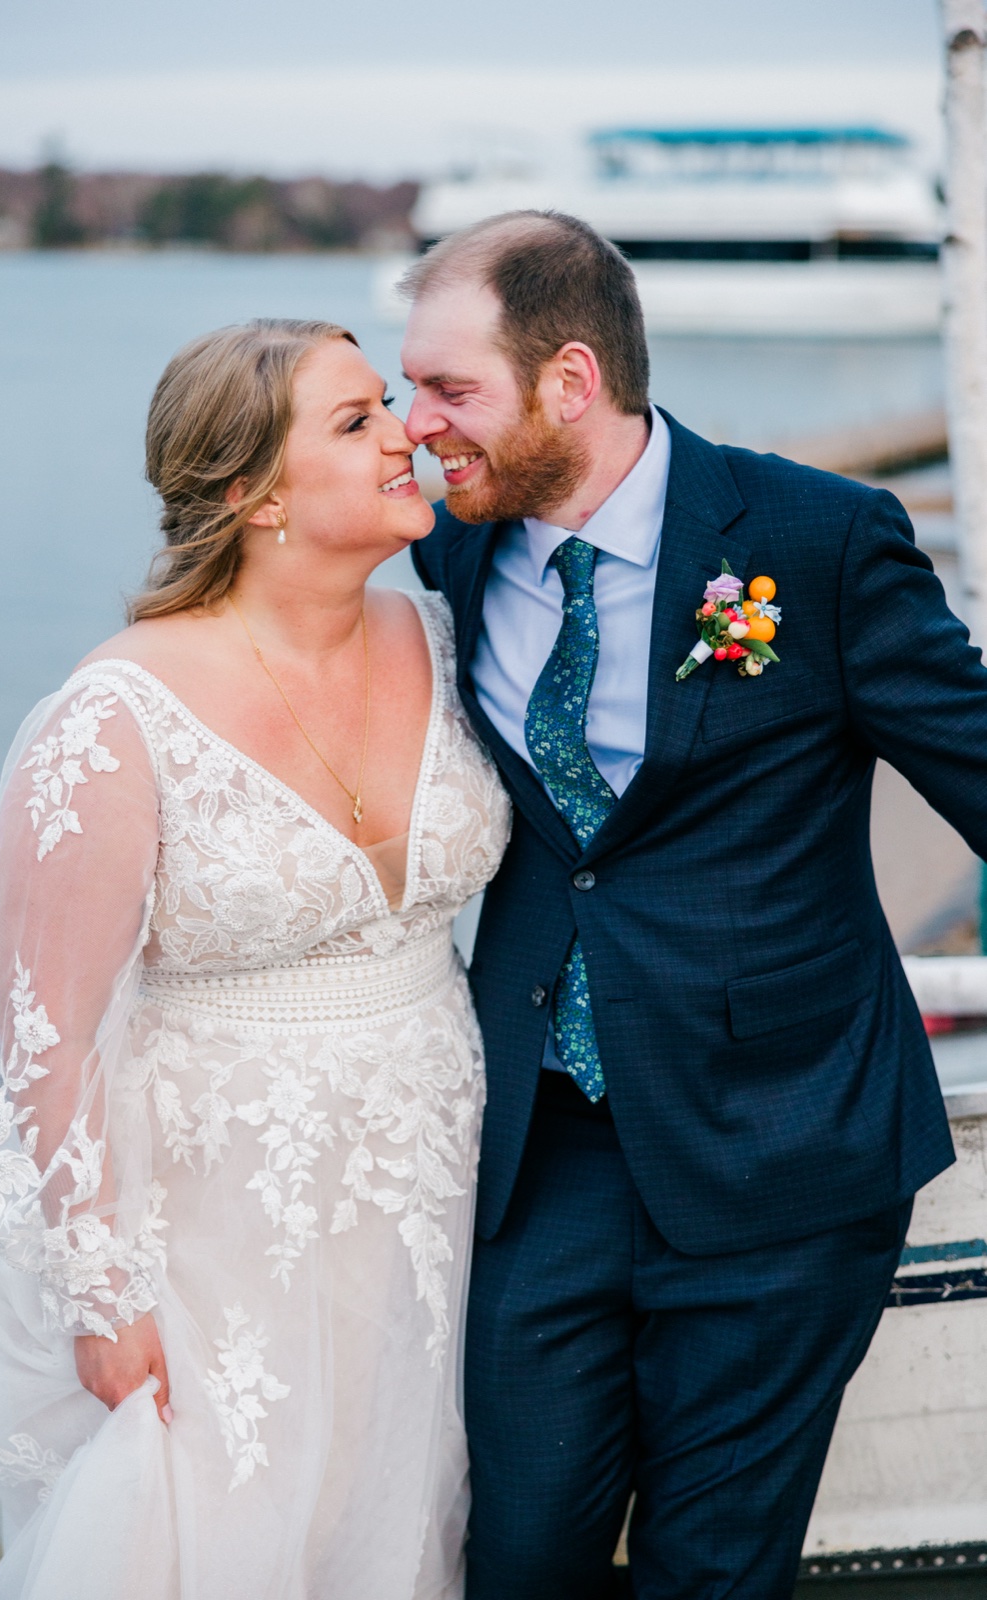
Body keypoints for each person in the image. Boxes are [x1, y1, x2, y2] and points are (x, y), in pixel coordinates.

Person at [400, 210, 987, 1599]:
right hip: (541, 1155)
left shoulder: (818, 538)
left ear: (570, 382)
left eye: (448, 390)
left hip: (783, 1150)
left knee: (710, 1573)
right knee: (516, 1553)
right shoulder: (448, 548)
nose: (416, 427)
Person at [0, 318, 510, 1600]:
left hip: (424, 1196)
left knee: (391, 1522)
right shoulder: (113, 719)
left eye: (393, 403)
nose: (407, 432)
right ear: (252, 492)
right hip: (212, 1223)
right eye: (358, 420)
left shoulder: (444, 634)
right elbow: (43, 1039)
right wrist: (99, 1294)